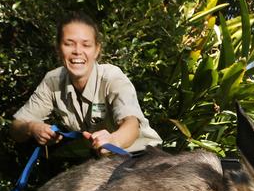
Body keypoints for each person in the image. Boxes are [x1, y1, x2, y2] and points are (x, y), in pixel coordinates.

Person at [10, 11, 162, 157]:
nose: (77, 51)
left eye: (86, 45)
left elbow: (132, 125)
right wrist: (32, 128)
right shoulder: (52, 81)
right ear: (58, 49)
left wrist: (113, 141)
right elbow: (16, 127)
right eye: (69, 44)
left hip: (142, 156)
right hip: (103, 163)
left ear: (97, 50)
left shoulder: (112, 77)